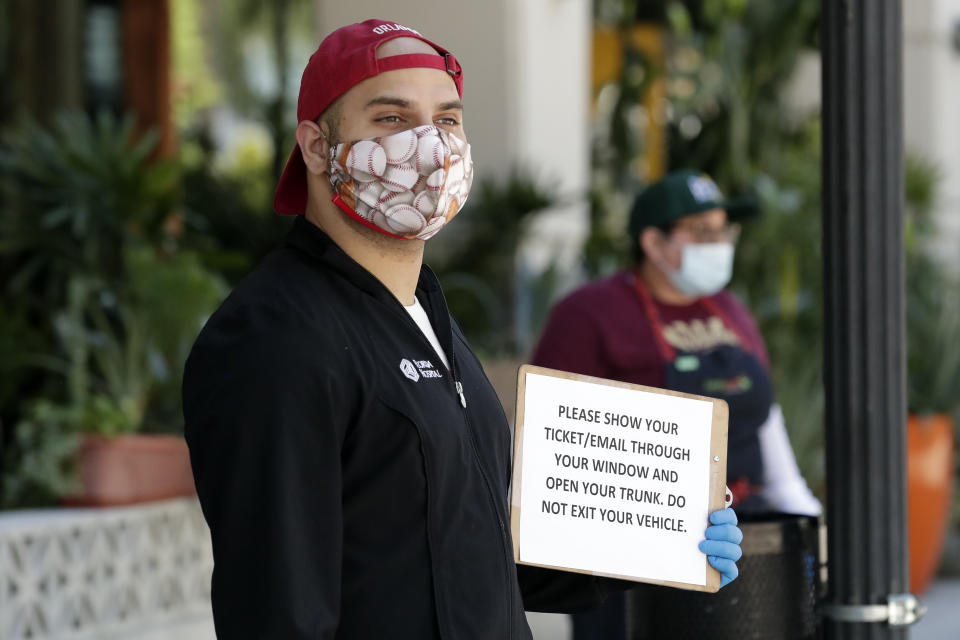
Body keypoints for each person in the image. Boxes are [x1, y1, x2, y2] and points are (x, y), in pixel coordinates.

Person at [183, 22, 743, 639]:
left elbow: (475, 553)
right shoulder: (275, 338)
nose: (429, 144)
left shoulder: (424, 312)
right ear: (316, 148)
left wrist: (657, 537)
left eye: (446, 120)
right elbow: (278, 612)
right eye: (392, 119)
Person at [531, 169, 821, 639]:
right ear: (653, 241)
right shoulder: (589, 314)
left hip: (733, 538)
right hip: (624, 555)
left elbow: (766, 420)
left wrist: (800, 508)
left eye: (724, 230)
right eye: (702, 232)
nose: (720, 243)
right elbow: (551, 436)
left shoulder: (730, 310)